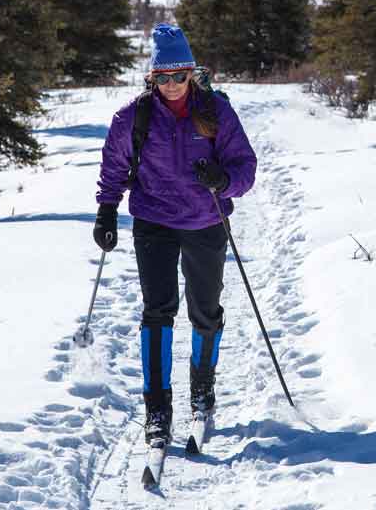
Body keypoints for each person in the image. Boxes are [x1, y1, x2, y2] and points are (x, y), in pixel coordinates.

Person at [92, 23, 257, 444]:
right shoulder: (134, 117)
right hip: (154, 221)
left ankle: (202, 391)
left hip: (206, 220)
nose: (170, 85)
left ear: (191, 73)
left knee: (205, 312)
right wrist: (107, 211)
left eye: (178, 76)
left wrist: (223, 180)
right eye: (161, 78)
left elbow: (245, 168)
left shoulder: (216, 111)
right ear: (152, 78)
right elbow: (113, 166)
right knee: (157, 312)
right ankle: (157, 409)